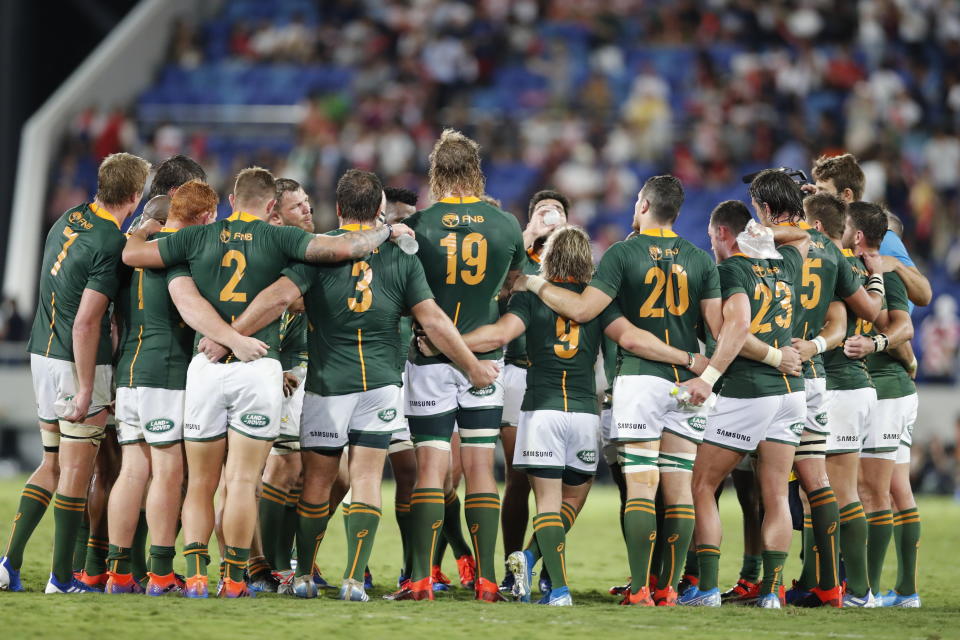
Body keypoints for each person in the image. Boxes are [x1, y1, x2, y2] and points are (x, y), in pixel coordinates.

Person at [121, 166, 415, 598]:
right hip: (259, 362)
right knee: (242, 481)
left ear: (231, 200)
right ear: (272, 206)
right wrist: (383, 233)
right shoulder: (281, 238)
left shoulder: (196, 237)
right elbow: (345, 247)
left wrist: (145, 224)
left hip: (206, 364)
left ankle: (197, 575)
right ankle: (236, 579)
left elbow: (132, 255)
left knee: (201, 482)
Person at [206, 169, 497, 602]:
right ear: (379, 210)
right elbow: (434, 319)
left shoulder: (319, 253)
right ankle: (354, 580)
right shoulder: (402, 258)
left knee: (317, 484)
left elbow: (277, 298)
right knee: (364, 480)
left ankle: (302, 575)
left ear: (338, 209)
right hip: (380, 385)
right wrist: (473, 367)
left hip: (328, 384)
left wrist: (228, 336)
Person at [512, 175, 722, 606]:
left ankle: (642, 588)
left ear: (643, 205)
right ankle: (669, 588)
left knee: (642, 486)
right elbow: (718, 330)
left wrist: (530, 282)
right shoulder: (700, 260)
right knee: (680, 489)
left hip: (642, 379)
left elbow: (589, 311)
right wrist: (702, 369)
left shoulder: (623, 253)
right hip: (689, 383)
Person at [0, 153, 151, 594]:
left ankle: (9, 562)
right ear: (136, 195)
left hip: (41, 353)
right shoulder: (109, 242)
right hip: (77, 361)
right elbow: (88, 322)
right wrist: (87, 388)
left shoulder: (70, 217)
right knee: (76, 472)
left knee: (51, 463)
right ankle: (62, 578)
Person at [392, 129, 525, 602]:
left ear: (436, 171)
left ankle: (423, 579)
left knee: (431, 468)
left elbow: (404, 296)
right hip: (486, 363)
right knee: (481, 469)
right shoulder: (506, 224)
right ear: (476, 169)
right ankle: (487, 579)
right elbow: (515, 284)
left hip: (429, 357)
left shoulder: (421, 224)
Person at [747, 171, 883, 608]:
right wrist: (875, 274)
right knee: (816, 481)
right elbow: (867, 311)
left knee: (742, 479)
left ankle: (751, 581)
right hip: (816, 372)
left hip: (768, 368)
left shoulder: (765, 237)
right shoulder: (830, 252)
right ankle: (832, 584)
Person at [679, 199, 808, 609]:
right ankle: (771, 592)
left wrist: (709, 377)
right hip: (793, 392)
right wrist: (768, 235)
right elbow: (804, 234)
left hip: (751, 390)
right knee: (774, 495)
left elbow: (734, 330)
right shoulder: (786, 266)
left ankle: (708, 589)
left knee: (701, 484)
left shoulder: (732, 269)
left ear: (724, 235)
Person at [105, 174, 216, 596]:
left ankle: (117, 574)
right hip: (164, 370)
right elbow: (191, 310)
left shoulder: (131, 255)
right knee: (168, 471)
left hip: (129, 372)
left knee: (133, 469)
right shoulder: (177, 254)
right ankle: (161, 574)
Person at [840, 201, 920, 607]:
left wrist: (877, 344)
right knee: (892, 489)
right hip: (889, 386)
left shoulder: (884, 268)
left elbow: (902, 323)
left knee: (873, 491)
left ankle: (865, 590)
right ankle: (903, 590)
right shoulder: (863, 267)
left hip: (886, 389)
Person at [804, 192, 879, 607]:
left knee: (841, 490)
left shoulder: (827, 261)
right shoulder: (857, 266)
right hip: (850, 385)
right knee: (819, 491)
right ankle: (825, 582)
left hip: (840, 384)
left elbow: (876, 314)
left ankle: (859, 590)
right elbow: (876, 308)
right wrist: (881, 276)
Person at [499, 189, 569, 592]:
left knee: (560, 482)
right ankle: (513, 568)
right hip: (519, 374)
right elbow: (497, 299)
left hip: (562, 379)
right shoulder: (515, 260)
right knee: (520, 478)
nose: (550, 215)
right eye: (543, 211)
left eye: (557, 211)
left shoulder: (574, 263)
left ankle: (540, 562)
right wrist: (524, 244)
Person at [256, 178, 313, 592]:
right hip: (276, 372)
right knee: (282, 466)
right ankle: (269, 564)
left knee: (318, 472)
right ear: (274, 214)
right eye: (297, 207)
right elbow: (276, 305)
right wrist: (271, 365)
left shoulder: (302, 250)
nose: (308, 211)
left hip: (304, 373)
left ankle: (284, 559)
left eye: (308, 203)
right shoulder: (264, 258)